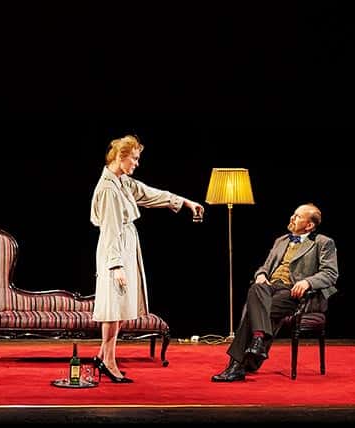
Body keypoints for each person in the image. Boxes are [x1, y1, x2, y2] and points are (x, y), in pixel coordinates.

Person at [90, 135, 204, 383]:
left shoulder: (122, 182)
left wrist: (184, 202)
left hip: (124, 247)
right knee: (113, 307)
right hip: (115, 250)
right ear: (121, 156)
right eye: (135, 158)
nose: (137, 163)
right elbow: (110, 229)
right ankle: (108, 360)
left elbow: (150, 194)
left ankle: (103, 356)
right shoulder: (109, 188)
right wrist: (115, 264)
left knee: (118, 308)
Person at [211, 203, 338, 382]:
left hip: (294, 292)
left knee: (252, 312)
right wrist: (261, 274)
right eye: (293, 214)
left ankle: (238, 364)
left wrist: (308, 282)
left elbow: (330, 274)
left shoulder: (323, 243)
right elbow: (265, 266)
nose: (292, 218)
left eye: (298, 216)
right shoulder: (281, 240)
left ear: (309, 225)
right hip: (269, 288)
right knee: (256, 287)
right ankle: (256, 346)